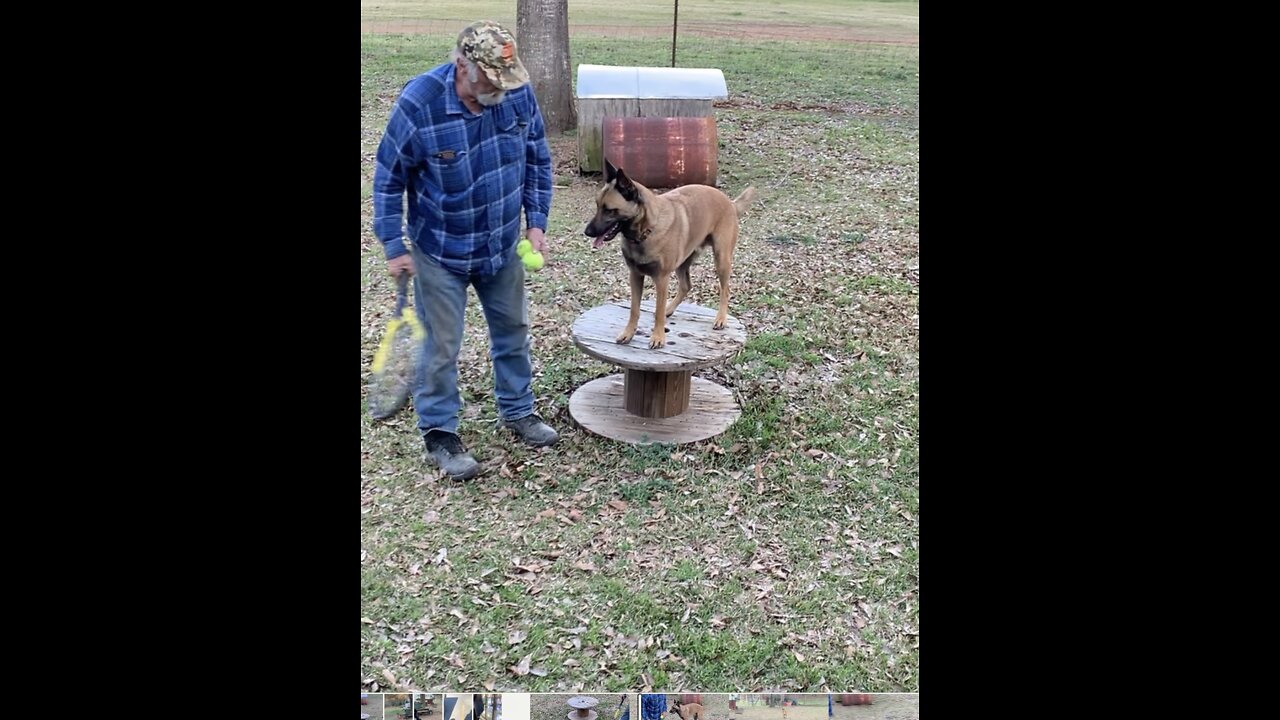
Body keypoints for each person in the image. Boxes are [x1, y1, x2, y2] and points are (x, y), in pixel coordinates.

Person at [373, 20, 558, 480]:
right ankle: (439, 433)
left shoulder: (515, 92)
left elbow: (537, 155)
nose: (500, 88)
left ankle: (518, 410)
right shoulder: (421, 103)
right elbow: (387, 177)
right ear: (462, 66)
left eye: (506, 79)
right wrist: (394, 243)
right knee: (441, 346)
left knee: (514, 329)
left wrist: (536, 222)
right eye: (490, 80)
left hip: (500, 244)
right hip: (440, 251)